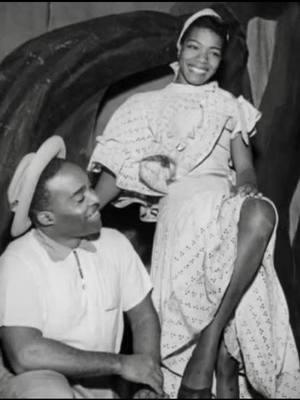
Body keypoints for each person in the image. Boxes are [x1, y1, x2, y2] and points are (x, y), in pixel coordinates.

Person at [87, 7, 300, 399]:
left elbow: (247, 168)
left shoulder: (229, 104)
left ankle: (210, 339)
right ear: (180, 47)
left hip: (225, 206)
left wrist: (247, 186)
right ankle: (212, 354)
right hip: (181, 217)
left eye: (214, 53)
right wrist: (86, 207)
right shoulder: (144, 107)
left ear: (221, 60)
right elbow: (114, 175)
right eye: (195, 48)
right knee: (217, 365)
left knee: (262, 212)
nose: (202, 60)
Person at [0, 135, 164, 399]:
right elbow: (25, 353)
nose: (95, 199)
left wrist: (146, 379)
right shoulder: (18, 260)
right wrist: (120, 364)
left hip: (106, 388)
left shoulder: (115, 244)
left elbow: (143, 317)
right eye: (79, 198)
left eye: (89, 188)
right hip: (40, 382)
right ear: (46, 217)